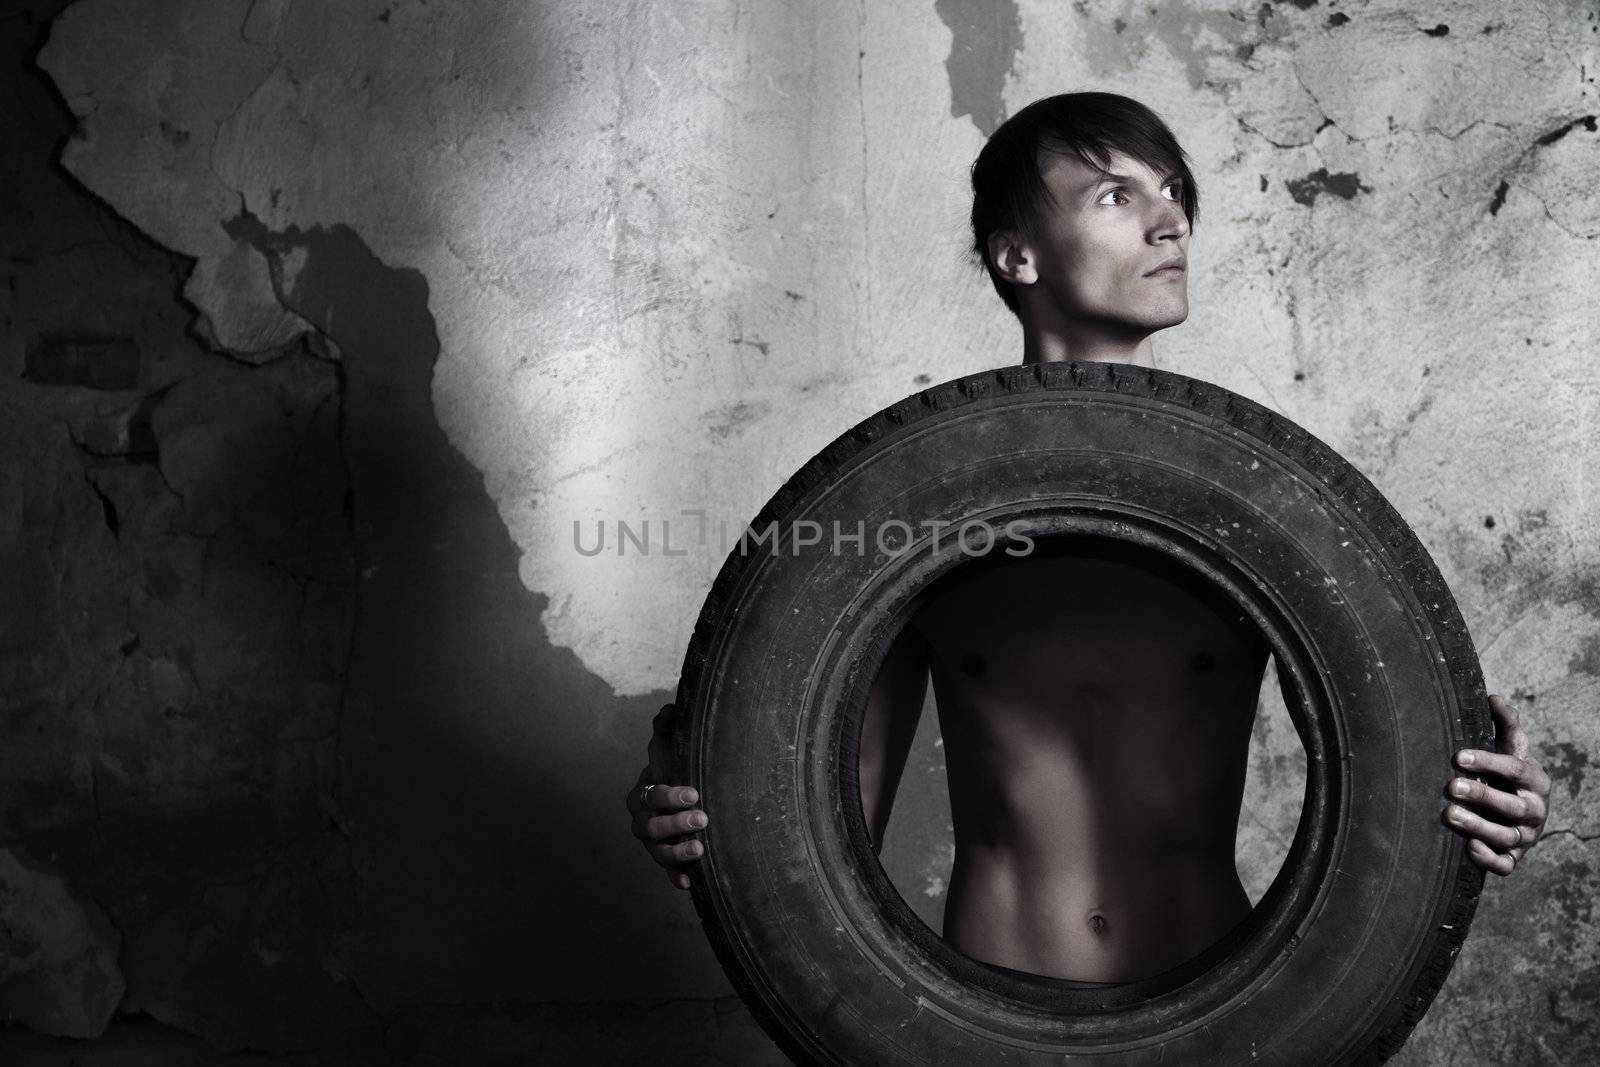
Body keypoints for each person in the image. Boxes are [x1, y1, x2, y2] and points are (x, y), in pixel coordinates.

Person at [625, 92, 1552, 982]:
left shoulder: (1258, 504)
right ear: (1017, 256)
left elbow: (1386, 772)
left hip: (1228, 1011)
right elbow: (820, 838)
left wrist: (1473, 804)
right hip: (985, 1002)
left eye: (1174, 192)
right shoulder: (918, 519)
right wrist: (709, 829)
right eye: (1117, 195)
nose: (1170, 223)